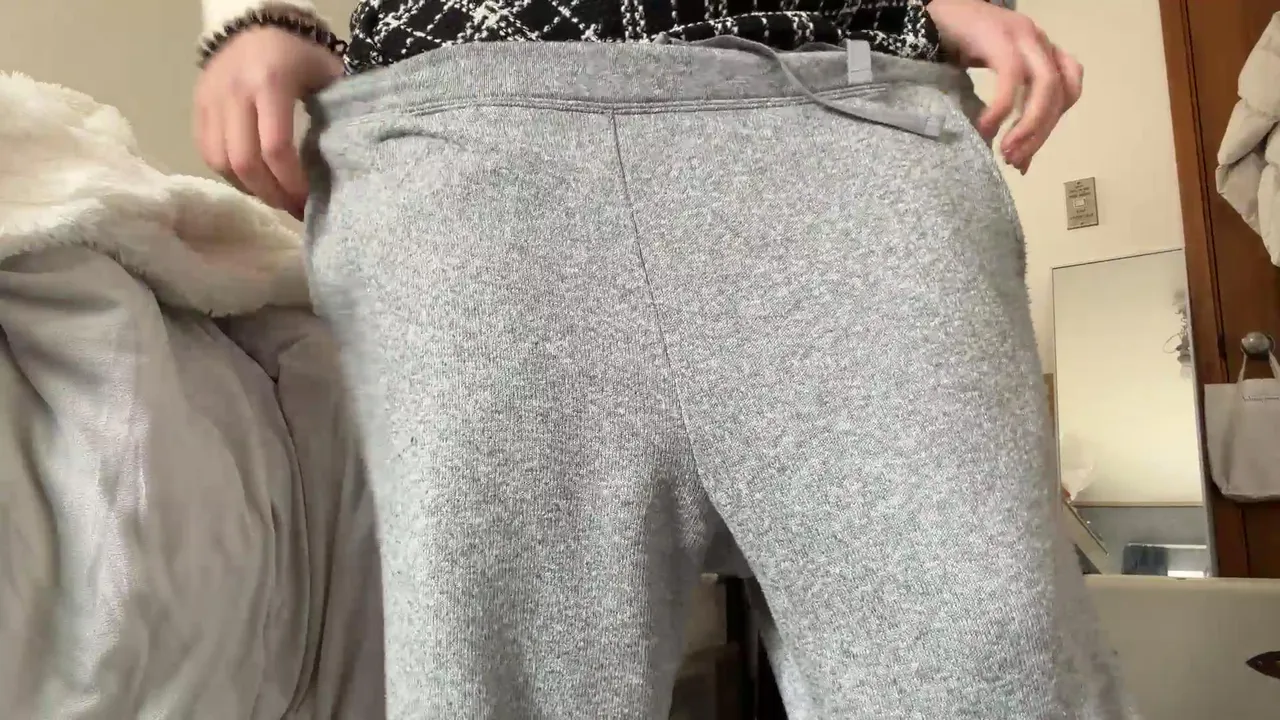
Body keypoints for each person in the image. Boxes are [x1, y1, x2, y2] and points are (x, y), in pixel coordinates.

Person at [195, 1, 1130, 718]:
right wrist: (272, 24)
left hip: (847, 115)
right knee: (492, 684)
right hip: (466, 148)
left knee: (996, 663)